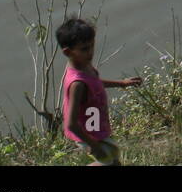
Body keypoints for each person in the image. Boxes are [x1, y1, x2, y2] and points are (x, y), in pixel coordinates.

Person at [57, 17, 142, 165]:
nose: (90, 52)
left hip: (96, 125)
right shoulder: (77, 84)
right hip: (90, 134)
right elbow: (70, 124)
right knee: (109, 161)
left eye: (92, 45)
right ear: (68, 52)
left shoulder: (84, 65)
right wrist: (93, 145)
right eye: (84, 49)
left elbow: (94, 84)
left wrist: (121, 84)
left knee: (113, 159)